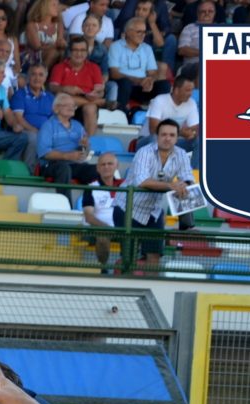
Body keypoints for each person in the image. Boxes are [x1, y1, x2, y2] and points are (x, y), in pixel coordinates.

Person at [123, 118, 192, 255]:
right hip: (128, 209)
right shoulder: (144, 152)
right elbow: (143, 182)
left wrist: (184, 185)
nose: (167, 138)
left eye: (172, 135)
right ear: (157, 136)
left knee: (154, 256)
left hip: (154, 211)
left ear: (177, 138)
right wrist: (172, 186)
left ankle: (187, 225)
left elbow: (188, 178)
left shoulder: (182, 154)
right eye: (164, 134)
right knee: (128, 256)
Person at [35, 88, 95, 189]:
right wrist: (67, 156)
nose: (72, 108)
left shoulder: (78, 126)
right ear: (56, 108)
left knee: (95, 169)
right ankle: (65, 202)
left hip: (73, 164)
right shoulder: (48, 126)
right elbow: (44, 153)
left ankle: (88, 202)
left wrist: (84, 146)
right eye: (67, 105)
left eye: (73, 105)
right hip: (51, 165)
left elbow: (85, 154)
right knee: (64, 168)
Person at [105, 17, 165, 109]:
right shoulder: (116, 46)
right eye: (139, 32)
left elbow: (153, 72)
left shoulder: (147, 48)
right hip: (124, 86)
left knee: (164, 85)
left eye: (144, 32)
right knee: (125, 83)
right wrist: (137, 80)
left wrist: (150, 80)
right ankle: (121, 114)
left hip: (142, 87)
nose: (143, 35)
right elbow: (114, 73)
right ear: (128, 32)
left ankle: (159, 115)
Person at [49, 34, 104, 132]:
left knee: (90, 107)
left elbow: (100, 91)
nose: (79, 54)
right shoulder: (59, 67)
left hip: (87, 101)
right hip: (65, 102)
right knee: (62, 96)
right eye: (76, 50)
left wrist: (95, 95)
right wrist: (65, 88)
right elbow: (52, 87)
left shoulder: (94, 68)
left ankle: (88, 143)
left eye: (82, 50)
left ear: (87, 52)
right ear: (69, 52)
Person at [141, 65, 199, 153]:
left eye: (191, 90)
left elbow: (195, 128)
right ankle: (155, 166)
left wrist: (192, 134)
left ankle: (195, 167)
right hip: (147, 140)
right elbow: (153, 129)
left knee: (200, 141)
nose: (190, 94)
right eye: (187, 90)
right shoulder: (160, 100)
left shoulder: (191, 103)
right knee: (156, 138)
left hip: (174, 141)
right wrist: (179, 132)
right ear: (176, 90)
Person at [83, 147, 125, 265]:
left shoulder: (125, 186)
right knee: (102, 235)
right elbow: (89, 217)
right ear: (97, 168)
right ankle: (103, 269)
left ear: (117, 166)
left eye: (110, 164)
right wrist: (106, 227)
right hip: (99, 229)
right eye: (103, 164)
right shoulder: (91, 187)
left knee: (132, 233)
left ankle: (126, 268)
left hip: (121, 228)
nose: (106, 167)